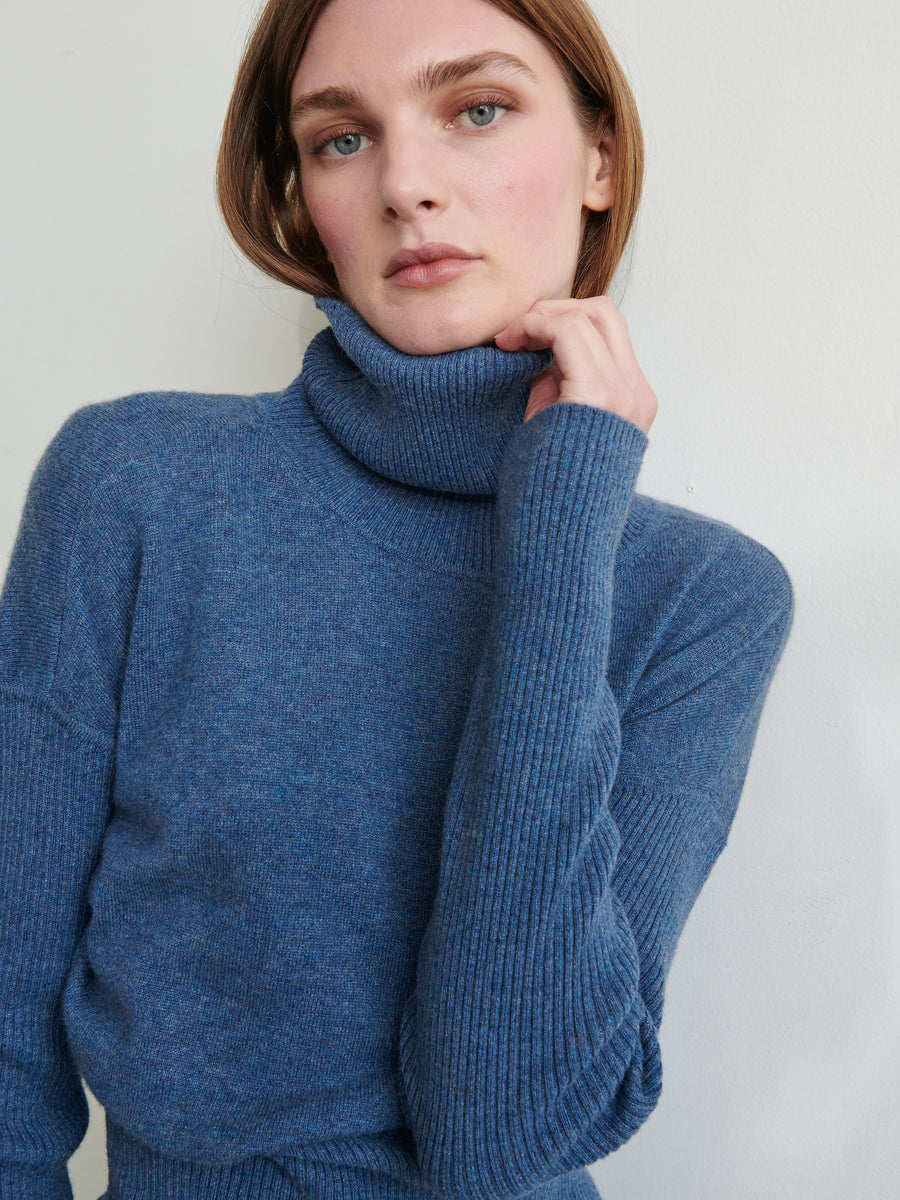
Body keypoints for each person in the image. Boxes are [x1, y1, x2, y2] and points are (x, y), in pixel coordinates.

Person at [0, 0, 793, 1197]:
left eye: (477, 109)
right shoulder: (135, 487)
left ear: (599, 157)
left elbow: (501, 1132)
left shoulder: (704, 596)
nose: (407, 184)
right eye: (342, 138)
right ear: (302, 193)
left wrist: (563, 525)